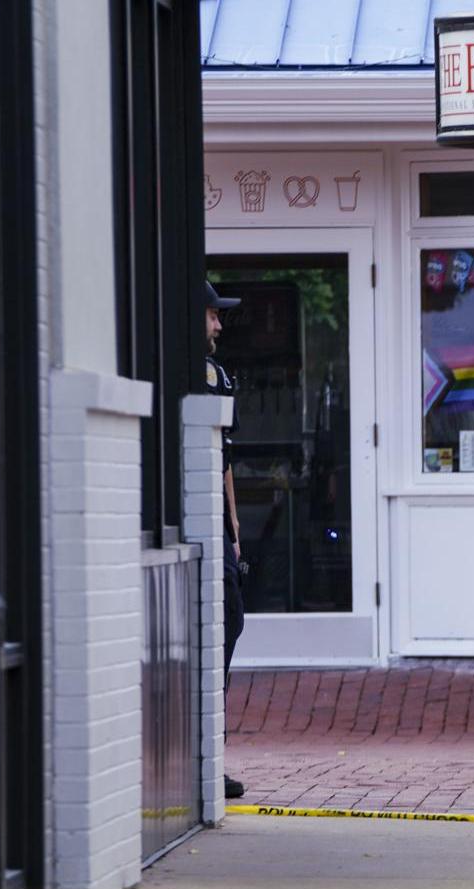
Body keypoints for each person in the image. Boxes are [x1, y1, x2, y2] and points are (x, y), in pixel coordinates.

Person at [205, 280, 248, 801]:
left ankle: (212, 754)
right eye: (212, 316)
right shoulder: (181, 372)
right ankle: (207, 759)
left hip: (218, 526)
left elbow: (224, 457)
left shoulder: (218, 376)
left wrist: (234, 531)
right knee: (217, 628)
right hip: (192, 522)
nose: (218, 324)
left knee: (230, 621)